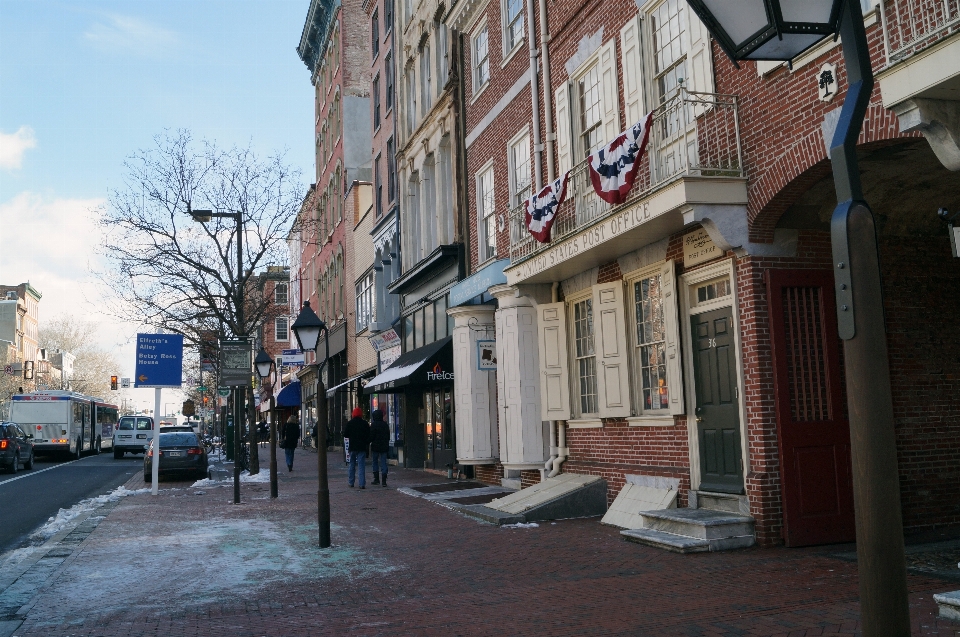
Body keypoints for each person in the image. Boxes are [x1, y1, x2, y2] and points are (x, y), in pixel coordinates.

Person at [343, 407, 370, 489]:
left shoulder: (350, 423)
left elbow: (346, 435)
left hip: (352, 446)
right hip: (361, 447)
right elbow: (368, 435)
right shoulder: (364, 423)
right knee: (361, 465)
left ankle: (351, 482)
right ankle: (362, 484)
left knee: (352, 464)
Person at [369, 409, 390, 487]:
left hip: (375, 446)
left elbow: (371, 436)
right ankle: (384, 480)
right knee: (383, 462)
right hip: (384, 446)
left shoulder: (374, 425)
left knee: (375, 462)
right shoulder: (385, 425)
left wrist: (369, 441)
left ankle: (376, 478)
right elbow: (388, 436)